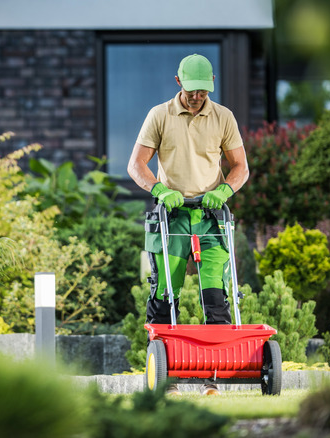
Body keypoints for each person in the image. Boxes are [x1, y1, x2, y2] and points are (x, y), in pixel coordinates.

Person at [126, 53, 249, 395]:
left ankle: (214, 377)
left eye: (203, 91)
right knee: (165, 293)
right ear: (178, 83)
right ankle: (168, 380)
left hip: (211, 218)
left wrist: (225, 189)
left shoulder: (223, 117)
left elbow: (241, 166)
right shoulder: (159, 116)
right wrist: (159, 189)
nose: (197, 97)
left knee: (216, 295)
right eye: (192, 90)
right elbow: (136, 165)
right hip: (173, 217)